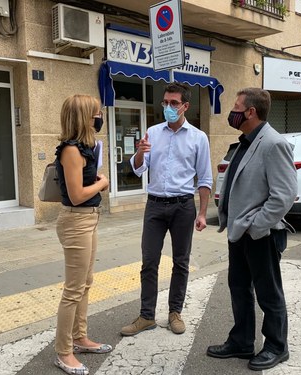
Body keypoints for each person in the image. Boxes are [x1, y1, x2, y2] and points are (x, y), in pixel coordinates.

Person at [206, 88, 297, 371]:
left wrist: (256, 226)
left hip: (260, 234)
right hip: (239, 232)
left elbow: (284, 195)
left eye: (236, 107)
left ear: (250, 112)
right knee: (239, 288)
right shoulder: (246, 141)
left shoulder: (273, 143)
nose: (231, 112)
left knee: (268, 293)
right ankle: (242, 341)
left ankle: (276, 347)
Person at [120, 82, 213, 336]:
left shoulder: (198, 138)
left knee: (181, 263)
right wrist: (139, 153)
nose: (169, 107)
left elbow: (204, 179)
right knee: (149, 261)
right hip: (155, 205)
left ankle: (175, 312)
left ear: (185, 106)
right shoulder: (153, 132)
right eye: (165, 103)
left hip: (183, 206)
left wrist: (202, 213)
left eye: (174, 103)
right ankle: (146, 316)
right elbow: (139, 168)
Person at [54, 94, 112, 375]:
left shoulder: (85, 148)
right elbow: (76, 196)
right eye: (95, 113)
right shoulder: (71, 151)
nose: (99, 118)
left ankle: (80, 337)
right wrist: (102, 184)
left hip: (88, 219)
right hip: (76, 220)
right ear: (83, 117)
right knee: (73, 290)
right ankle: (63, 352)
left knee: (85, 283)